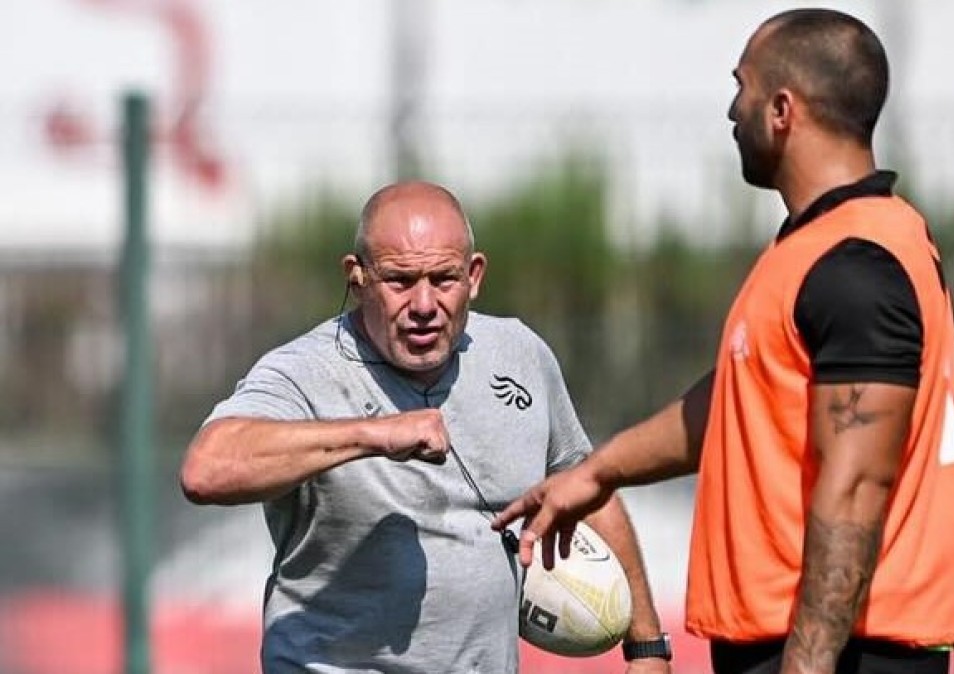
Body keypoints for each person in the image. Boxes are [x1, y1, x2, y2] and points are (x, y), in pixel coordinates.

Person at [494, 8, 954, 674]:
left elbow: (857, 486)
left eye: (741, 87)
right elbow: (741, 402)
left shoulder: (854, 264)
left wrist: (805, 666)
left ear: (782, 110)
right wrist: (598, 473)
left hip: (839, 653)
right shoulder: (821, 247)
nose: (731, 110)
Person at [179, 181, 673, 673]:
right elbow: (207, 470)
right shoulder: (304, 371)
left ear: (474, 276)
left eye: (443, 279)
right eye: (399, 280)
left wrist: (647, 647)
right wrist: (370, 434)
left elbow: (586, 484)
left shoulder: (520, 353)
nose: (422, 305)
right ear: (358, 277)